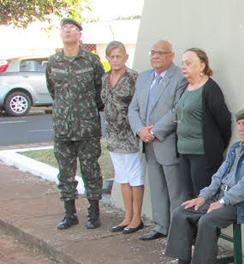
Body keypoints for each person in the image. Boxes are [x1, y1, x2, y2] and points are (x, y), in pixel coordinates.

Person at [157, 107, 244, 264]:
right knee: (182, 212)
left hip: (243, 204)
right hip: (222, 198)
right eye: (239, 125)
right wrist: (203, 197)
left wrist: (223, 201)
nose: (240, 129)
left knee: (208, 220)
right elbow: (218, 177)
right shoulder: (236, 148)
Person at [128, 40, 191, 241]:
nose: (155, 56)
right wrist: (140, 130)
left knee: (175, 191)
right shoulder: (144, 77)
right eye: (153, 52)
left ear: (171, 55)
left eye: (160, 53)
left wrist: (154, 131)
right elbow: (133, 108)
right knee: (156, 187)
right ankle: (161, 226)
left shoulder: (180, 77)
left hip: (166, 141)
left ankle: (178, 231)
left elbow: (177, 110)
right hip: (147, 142)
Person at [46, 18, 105, 230]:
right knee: (65, 173)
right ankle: (70, 213)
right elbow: (54, 91)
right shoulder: (53, 62)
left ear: (80, 34)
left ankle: (93, 212)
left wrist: (88, 110)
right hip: (63, 128)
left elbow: (101, 90)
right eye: (64, 28)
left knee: (91, 170)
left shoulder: (91, 60)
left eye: (72, 28)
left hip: (87, 128)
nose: (68, 31)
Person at [102, 41, 145, 234]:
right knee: (122, 177)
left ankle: (137, 217)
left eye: (119, 56)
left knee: (135, 177)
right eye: (111, 56)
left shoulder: (133, 77)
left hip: (130, 135)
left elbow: (140, 106)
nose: (115, 60)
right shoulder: (105, 78)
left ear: (126, 57)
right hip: (113, 136)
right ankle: (127, 215)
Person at [176, 48, 231, 197]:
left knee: (201, 199)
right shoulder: (185, 87)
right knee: (188, 198)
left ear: (202, 65)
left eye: (188, 63)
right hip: (184, 153)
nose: (183, 66)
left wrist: (218, 145)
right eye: (182, 63)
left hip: (202, 155)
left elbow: (224, 122)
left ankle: (201, 222)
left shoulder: (210, 89)